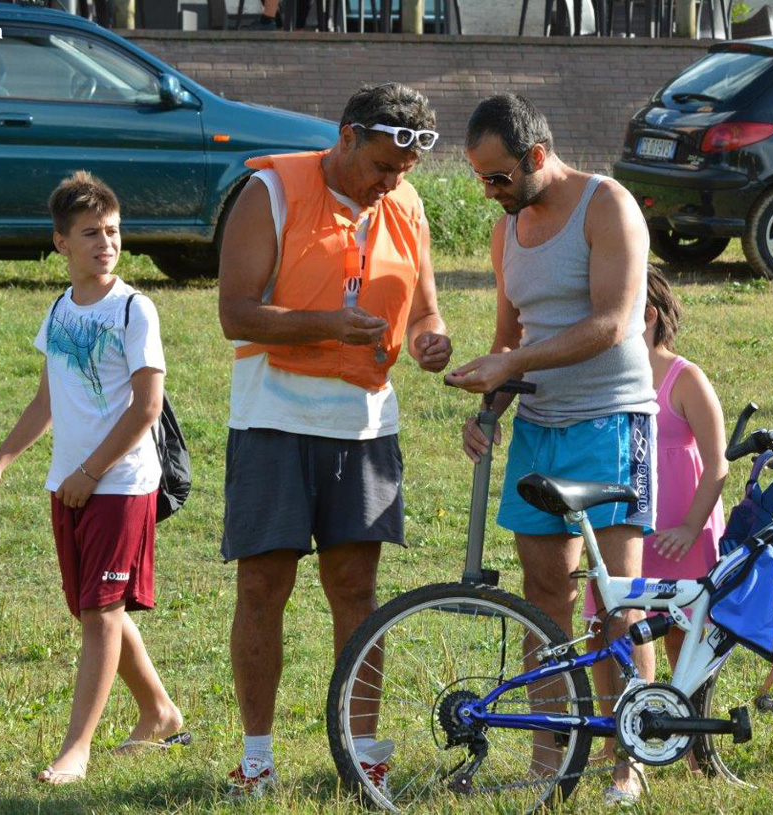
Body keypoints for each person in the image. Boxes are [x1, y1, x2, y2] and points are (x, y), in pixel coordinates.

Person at [217, 83, 451, 797]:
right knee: (263, 586)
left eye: (403, 172)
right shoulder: (268, 193)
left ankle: (363, 752)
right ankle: (257, 759)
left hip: (365, 426)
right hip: (273, 419)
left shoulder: (405, 205)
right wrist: (325, 324)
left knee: (357, 590)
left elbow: (425, 310)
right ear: (346, 137)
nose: (391, 183)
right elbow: (235, 314)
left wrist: (430, 339)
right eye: (382, 166)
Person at [447, 93, 656, 806]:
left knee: (617, 600)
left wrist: (513, 363)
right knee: (543, 599)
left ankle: (629, 757)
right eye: (479, 177)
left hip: (610, 421)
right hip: (539, 428)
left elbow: (612, 322)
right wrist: (489, 407)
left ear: (537, 156)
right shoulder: (506, 231)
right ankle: (551, 755)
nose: (488, 191)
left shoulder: (606, 205)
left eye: (498, 177)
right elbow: (510, 340)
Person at [0, 171, 186, 785]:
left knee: (102, 611)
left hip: (121, 483)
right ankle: (160, 713)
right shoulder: (61, 309)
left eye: (112, 231)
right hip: (70, 484)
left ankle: (76, 750)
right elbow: (46, 400)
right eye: (91, 233)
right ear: (61, 242)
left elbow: (146, 408)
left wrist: (92, 472)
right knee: (97, 610)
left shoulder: (134, 309)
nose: (105, 243)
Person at [582, 267, 727, 743]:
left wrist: (690, 528)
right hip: (626, 532)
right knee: (608, 629)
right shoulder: (606, 379)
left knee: (684, 638)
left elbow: (717, 464)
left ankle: (692, 741)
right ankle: (618, 735)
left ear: (646, 315)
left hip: (682, 536)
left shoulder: (685, 378)